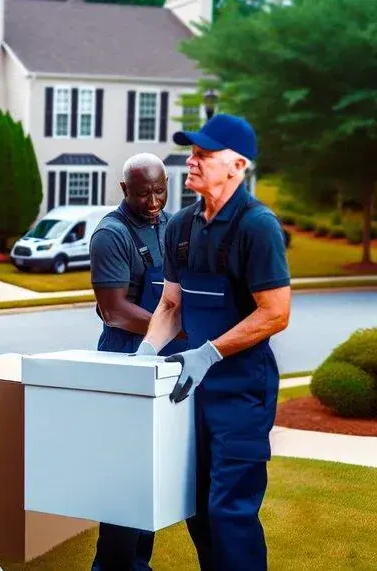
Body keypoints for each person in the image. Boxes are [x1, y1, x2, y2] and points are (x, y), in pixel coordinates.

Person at [134, 114, 291, 570]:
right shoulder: (179, 227)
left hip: (241, 393)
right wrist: (145, 356)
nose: (192, 161)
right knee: (198, 509)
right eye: (192, 153)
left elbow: (275, 312)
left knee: (229, 511)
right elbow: (169, 307)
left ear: (238, 164)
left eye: (205, 154)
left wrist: (209, 352)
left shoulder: (257, 226)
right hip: (189, 392)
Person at [89, 153, 188, 571]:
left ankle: (138, 564)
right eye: (143, 192)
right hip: (125, 357)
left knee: (154, 473)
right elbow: (114, 309)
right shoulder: (111, 235)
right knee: (125, 475)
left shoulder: (170, 225)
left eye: (160, 190)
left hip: (164, 360)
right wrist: (179, 330)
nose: (153, 201)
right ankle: (110, 565)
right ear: (124, 189)